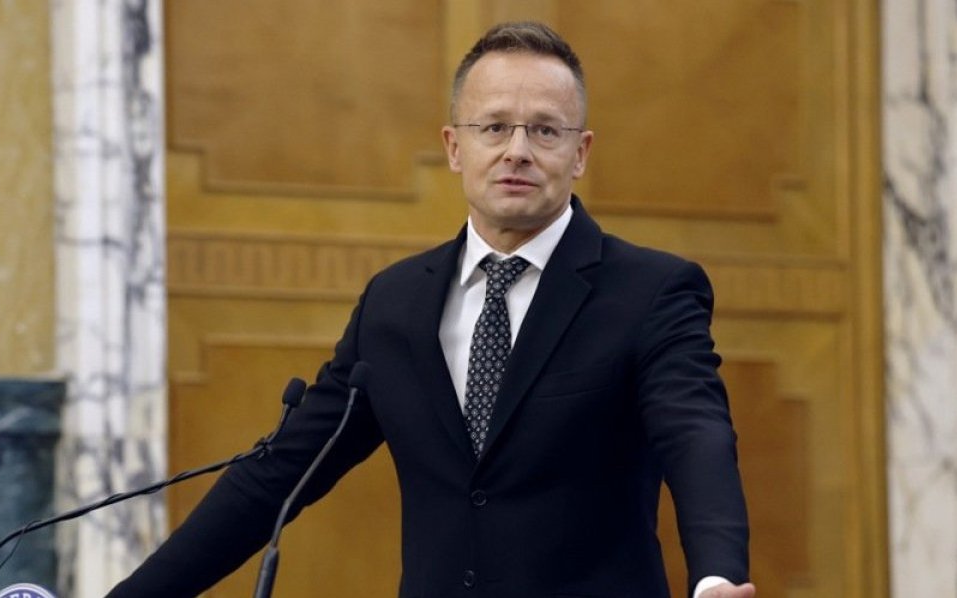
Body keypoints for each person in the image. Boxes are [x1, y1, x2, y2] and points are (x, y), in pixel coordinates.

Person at [109, 21, 754, 598]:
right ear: (453, 147)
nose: (518, 150)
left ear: (580, 153)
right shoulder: (395, 304)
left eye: (545, 130)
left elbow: (695, 434)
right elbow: (279, 473)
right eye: (494, 127)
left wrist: (716, 576)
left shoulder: (651, 291)